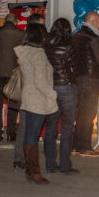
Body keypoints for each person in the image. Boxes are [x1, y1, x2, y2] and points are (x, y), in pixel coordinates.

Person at [15, 23, 58, 184]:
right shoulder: (38, 54)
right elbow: (40, 80)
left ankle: (30, 168)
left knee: (29, 134)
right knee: (33, 135)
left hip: (29, 96)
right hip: (38, 98)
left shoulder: (25, 52)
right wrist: (52, 94)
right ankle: (33, 171)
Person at [72, 12, 99, 156]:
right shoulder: (94, 38)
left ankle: (76, 145)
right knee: (88, 114)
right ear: (94, 21)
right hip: (91, 78)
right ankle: (85, 146)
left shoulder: (77, 36)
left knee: (80, 113)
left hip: (78, 78)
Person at [44, 18, 79, 174]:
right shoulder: (69, 46)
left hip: (51, 87)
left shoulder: (45, 45)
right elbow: (74, 66)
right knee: (67, 127)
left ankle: (50, 163)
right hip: (66, 87)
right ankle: (65, 164)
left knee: (50, 126)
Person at [0, 13, 26, 142]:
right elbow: (21, 55)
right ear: (15, 22)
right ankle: (11, 132)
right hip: (13, 73)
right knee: (13, 103)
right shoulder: (21, 34)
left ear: (5, 21)